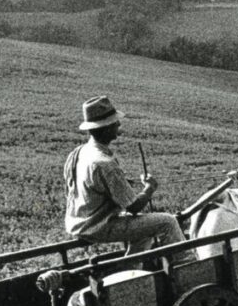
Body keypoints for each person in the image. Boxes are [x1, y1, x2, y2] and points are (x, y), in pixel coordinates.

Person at [64, 96, 193, 264]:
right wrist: (149, 188)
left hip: (78, 222)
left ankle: (129, 274)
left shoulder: (79, 152)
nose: (118, 125)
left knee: (145, 231)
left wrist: (123, 184)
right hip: (97, 226)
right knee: (168, 222)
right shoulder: (105, 163)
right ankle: (190, 268)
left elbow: (84, 188)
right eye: (114, 122)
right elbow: (134, 207)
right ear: (104, 128)